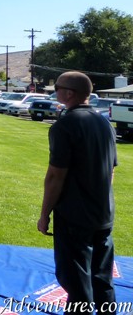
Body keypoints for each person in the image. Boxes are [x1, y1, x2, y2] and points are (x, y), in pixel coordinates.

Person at [37, 71, 117, 312]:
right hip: (103, 214)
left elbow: (55, 176)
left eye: (57, 87)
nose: (55, 91)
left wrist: (44, 214)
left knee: (75, 279)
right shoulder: (104, 122)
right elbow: (111, 171)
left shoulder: (65, 125)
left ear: (69, 93)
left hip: (74, 216)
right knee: (101, 278)